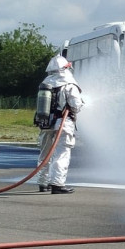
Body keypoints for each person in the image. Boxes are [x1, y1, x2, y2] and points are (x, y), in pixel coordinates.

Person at [36, 55, 84, 194]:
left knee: (45, 153)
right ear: (65, 68)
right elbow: (75, 105)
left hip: (45, 123)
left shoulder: (45, 83)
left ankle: (43, 183)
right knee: (61, 153)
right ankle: (57, 183)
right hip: (63, 123)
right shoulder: (69, 83)